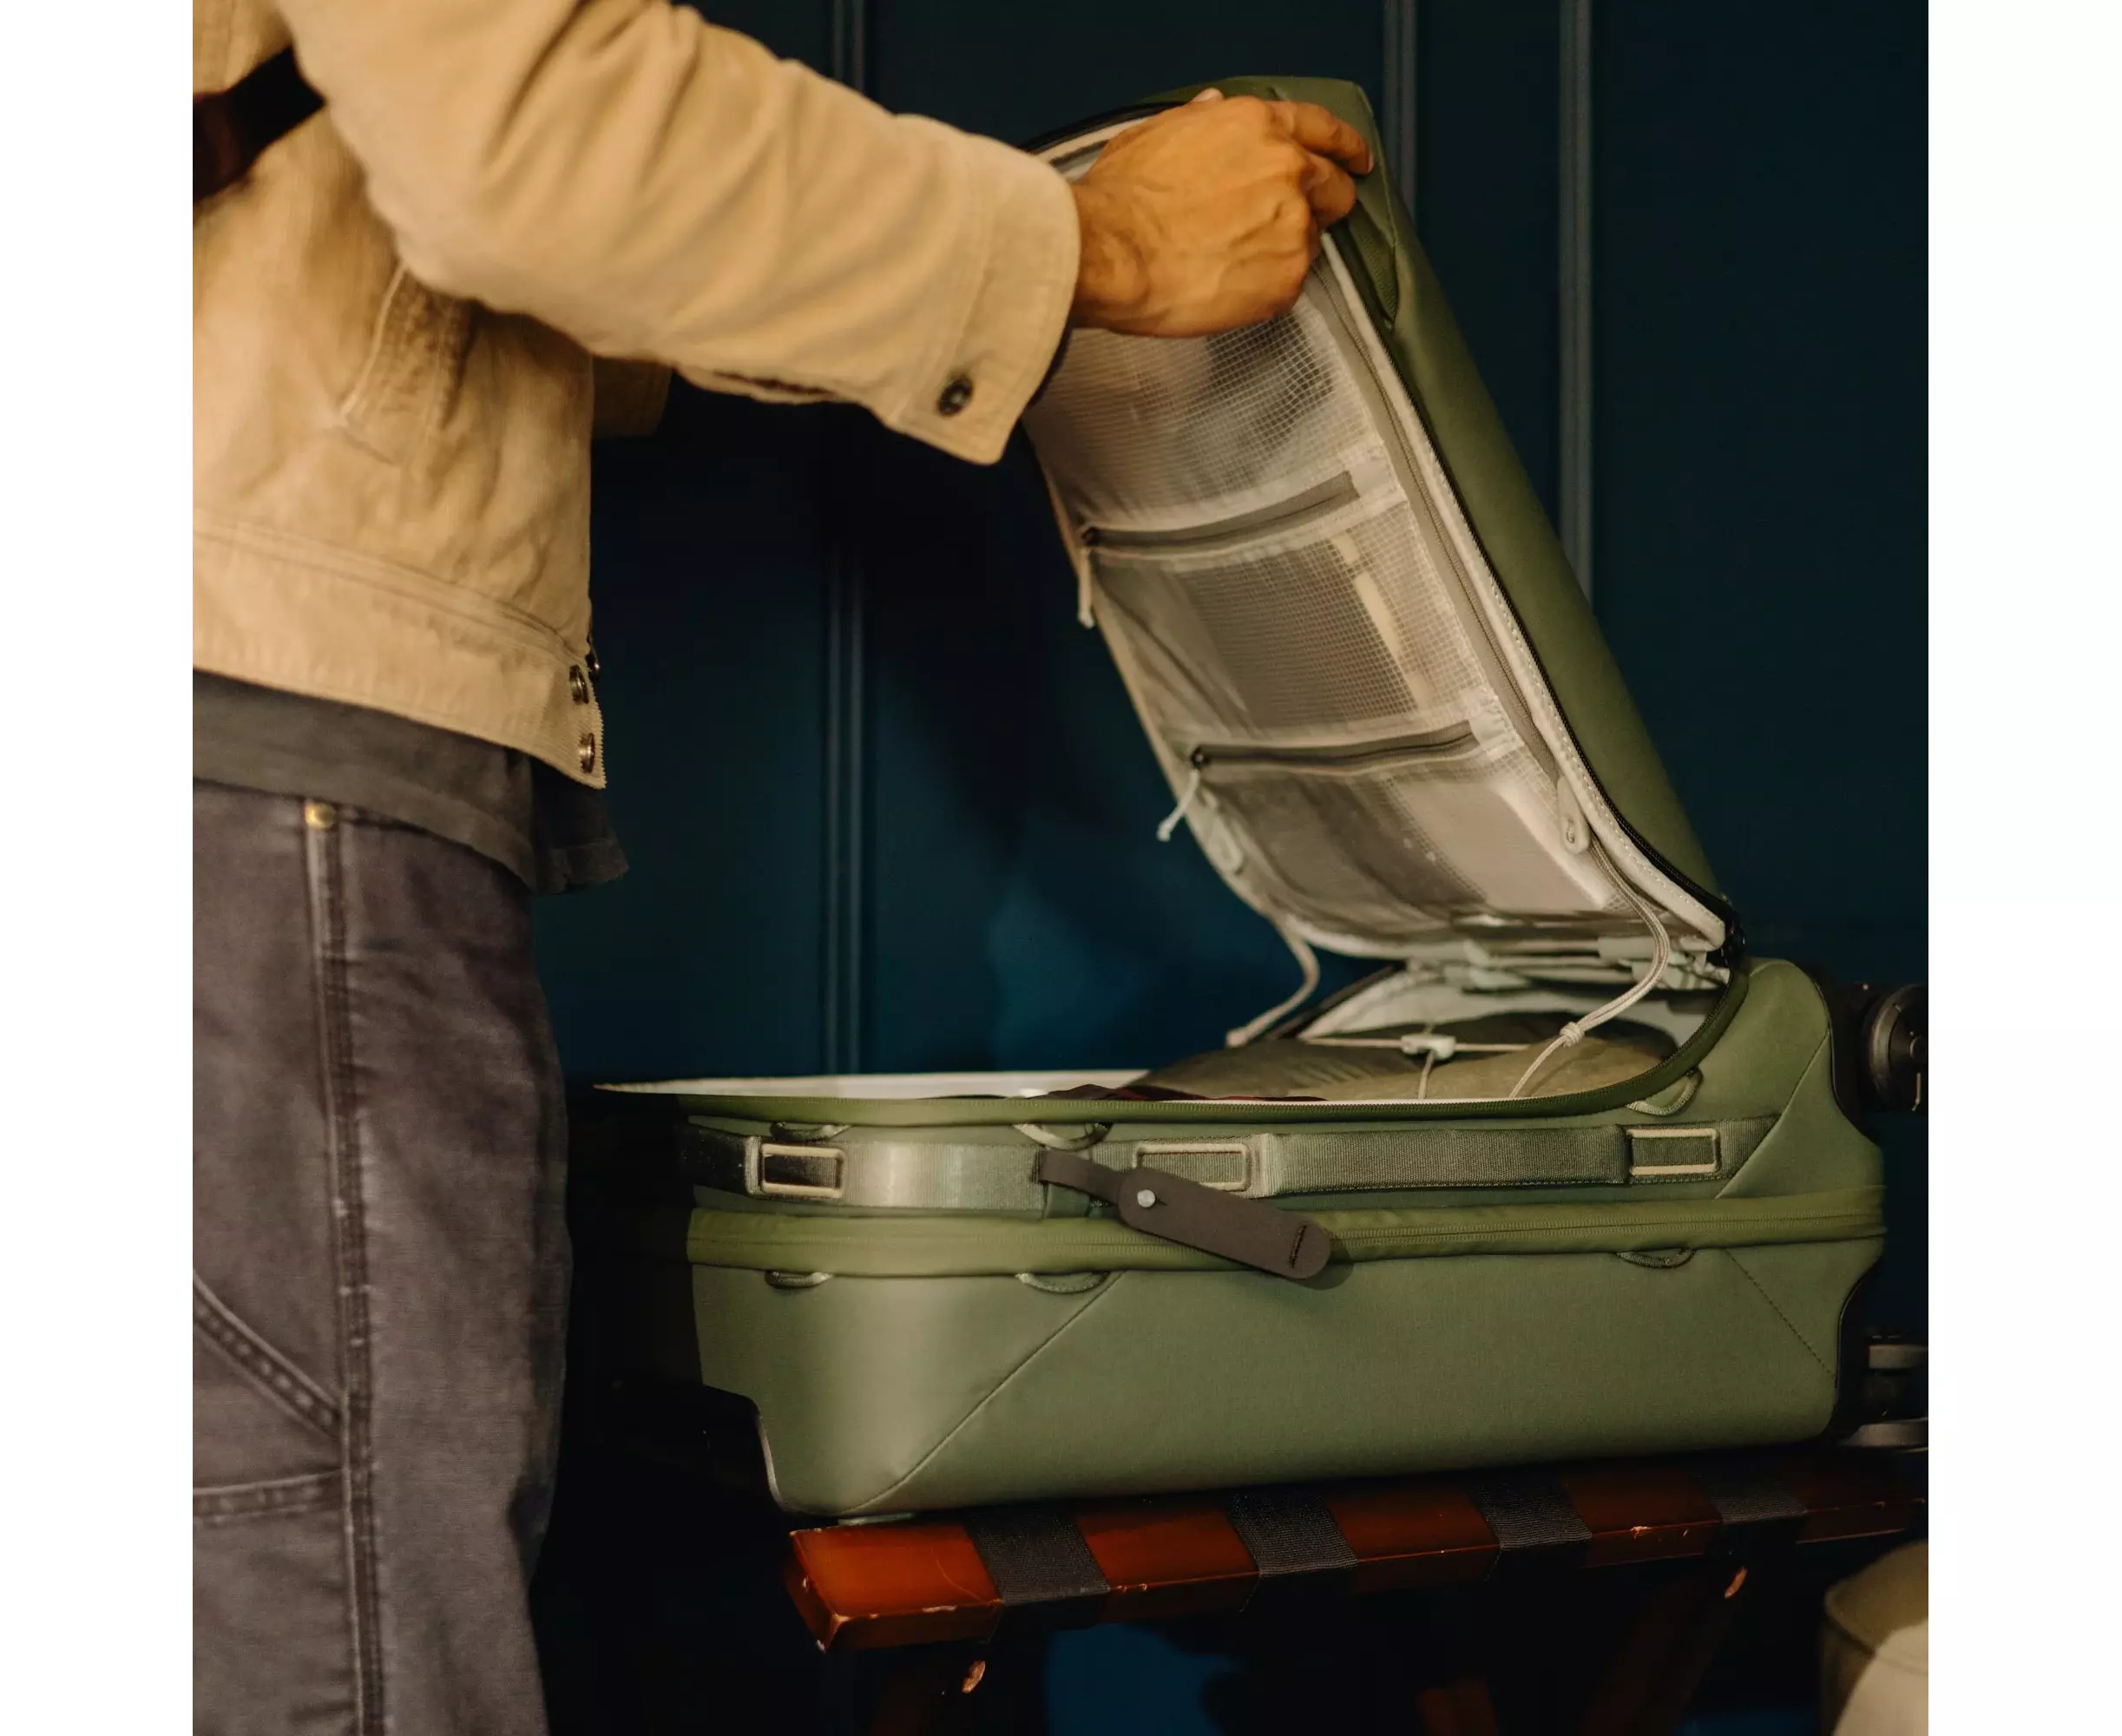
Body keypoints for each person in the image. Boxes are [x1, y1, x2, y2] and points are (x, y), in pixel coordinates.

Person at [192, 3, 1371, 1731]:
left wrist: (950, 259)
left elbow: (519, 216)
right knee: (339, 1631)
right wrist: (1095, 242)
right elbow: (525, 140)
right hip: (253, 758)